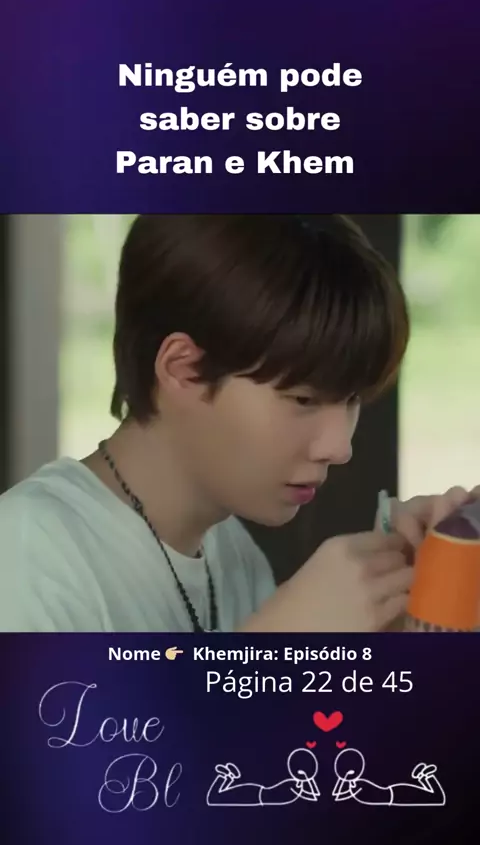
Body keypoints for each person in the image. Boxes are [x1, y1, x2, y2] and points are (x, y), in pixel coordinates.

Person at [0, 214, 476, 632]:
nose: (339, 447)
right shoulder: (27, 554)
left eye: (350, 399)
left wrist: (395, 623)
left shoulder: (231, 553)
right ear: (183, 368)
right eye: (303, 399)